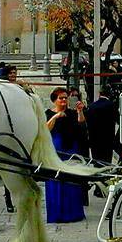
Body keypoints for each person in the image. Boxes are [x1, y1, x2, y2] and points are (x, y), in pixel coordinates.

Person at [44, 87, 87, 223]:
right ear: (54, 100)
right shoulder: (48, 113)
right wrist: (56, 116)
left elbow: (81, 123)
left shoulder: (71, 113)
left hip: (70, 147)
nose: (64, 100)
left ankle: (73, 213)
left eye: (65, 98)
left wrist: (80, 111)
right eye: (61, 98)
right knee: (55, 179)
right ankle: (57, 213)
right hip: (56, 147)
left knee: (71, 178)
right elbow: (45, 129)